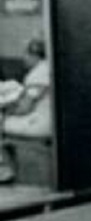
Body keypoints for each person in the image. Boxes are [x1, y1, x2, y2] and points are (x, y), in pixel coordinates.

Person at [0, 37, 52, 183]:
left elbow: (24, 108)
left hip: (41, 123)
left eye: (26, 54)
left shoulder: (39, 73)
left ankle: (4, 170)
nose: (24, 58)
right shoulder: (47, 68)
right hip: (47, 120)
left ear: (34, 55)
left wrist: (6, 108)